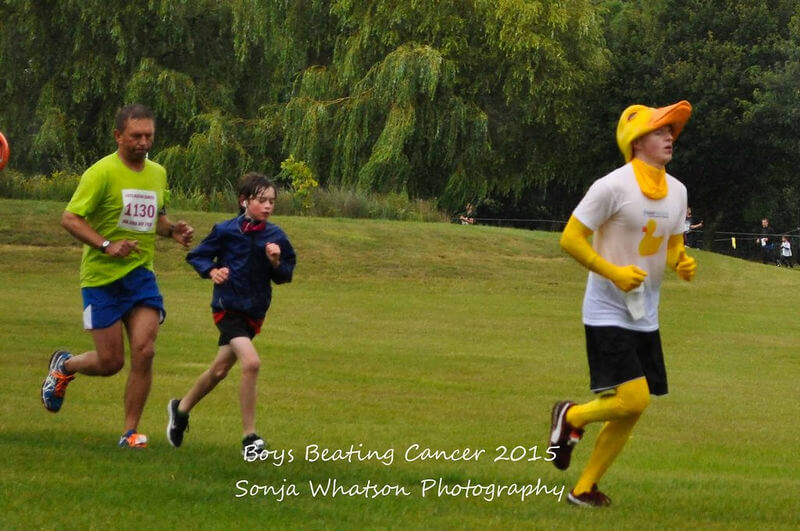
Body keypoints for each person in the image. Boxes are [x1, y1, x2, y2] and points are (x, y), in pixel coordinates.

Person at [550, 100, 697, 507]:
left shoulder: (678, 190)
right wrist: (612, 272)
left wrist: (681, 262)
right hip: (606, 311)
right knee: (634, 399)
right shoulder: (611, 186)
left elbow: (673, 245)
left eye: (671, 132)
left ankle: (583, 489)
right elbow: (570, 239)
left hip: (645, 314)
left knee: (630, 411)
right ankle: (571, 417)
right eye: (659, 131)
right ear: (635, 141)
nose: (669, 137)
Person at [41, 103, 194, 448]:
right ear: (118, 136)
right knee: (111, 362)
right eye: (136, 136)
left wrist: (173, 231)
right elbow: (70, 219)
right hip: (101, 280)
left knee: (145, 350)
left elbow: (157, 220)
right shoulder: (100, 173)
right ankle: (66, 365)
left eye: (149, 136)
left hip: (140, 277)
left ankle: (130, 432)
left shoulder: (158, 173)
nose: (143, 142)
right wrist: (106, 245)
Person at [166, 172, 296, 454]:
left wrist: (275, 261)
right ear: (244, 201)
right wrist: (213, 271)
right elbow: (197, 255)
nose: (268, 206)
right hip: (227, 308)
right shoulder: (225, 231)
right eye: (261, 200)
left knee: (219, 370)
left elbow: (285, 275)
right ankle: (250, 438)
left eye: (272, 201)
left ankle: (181, 409)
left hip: (254, 313)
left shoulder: (276, 236)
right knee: (251, 363)